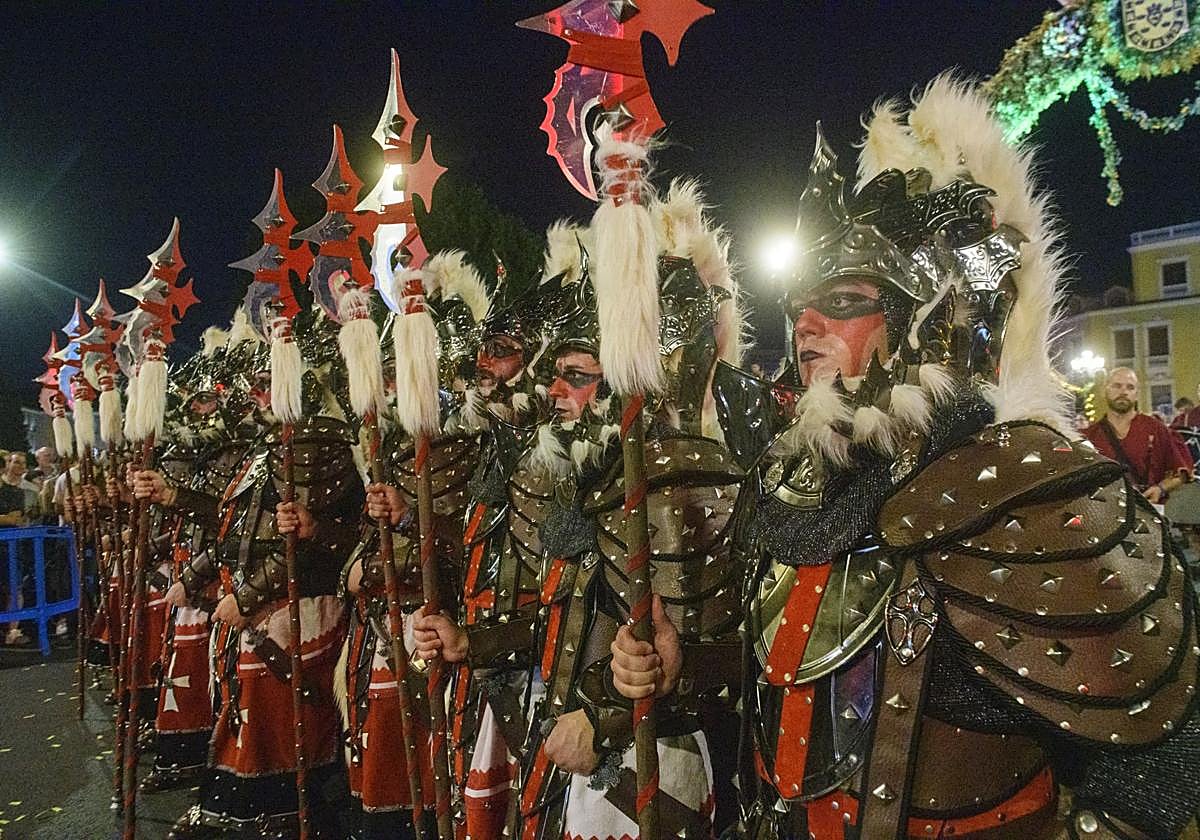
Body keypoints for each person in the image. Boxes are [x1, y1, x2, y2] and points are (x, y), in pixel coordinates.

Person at [612, 76, 1200, 839]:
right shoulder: (790, 480)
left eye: (847, 300)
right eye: (798, 310)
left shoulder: (1024, 477)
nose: (808, 326)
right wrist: (683, 664)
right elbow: (802, 680)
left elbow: (1160, 754)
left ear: (922, 317)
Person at [1083, 367, 1191, 504]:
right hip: (1103, 513)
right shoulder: (1090, 435)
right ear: (1104, 391)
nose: (1123, 392)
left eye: (1130, 387)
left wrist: (1160, 489)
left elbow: (1181, 473)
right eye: (1117, 386)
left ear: (1137, 394)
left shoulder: (1156, 429)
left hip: (1146, 511)